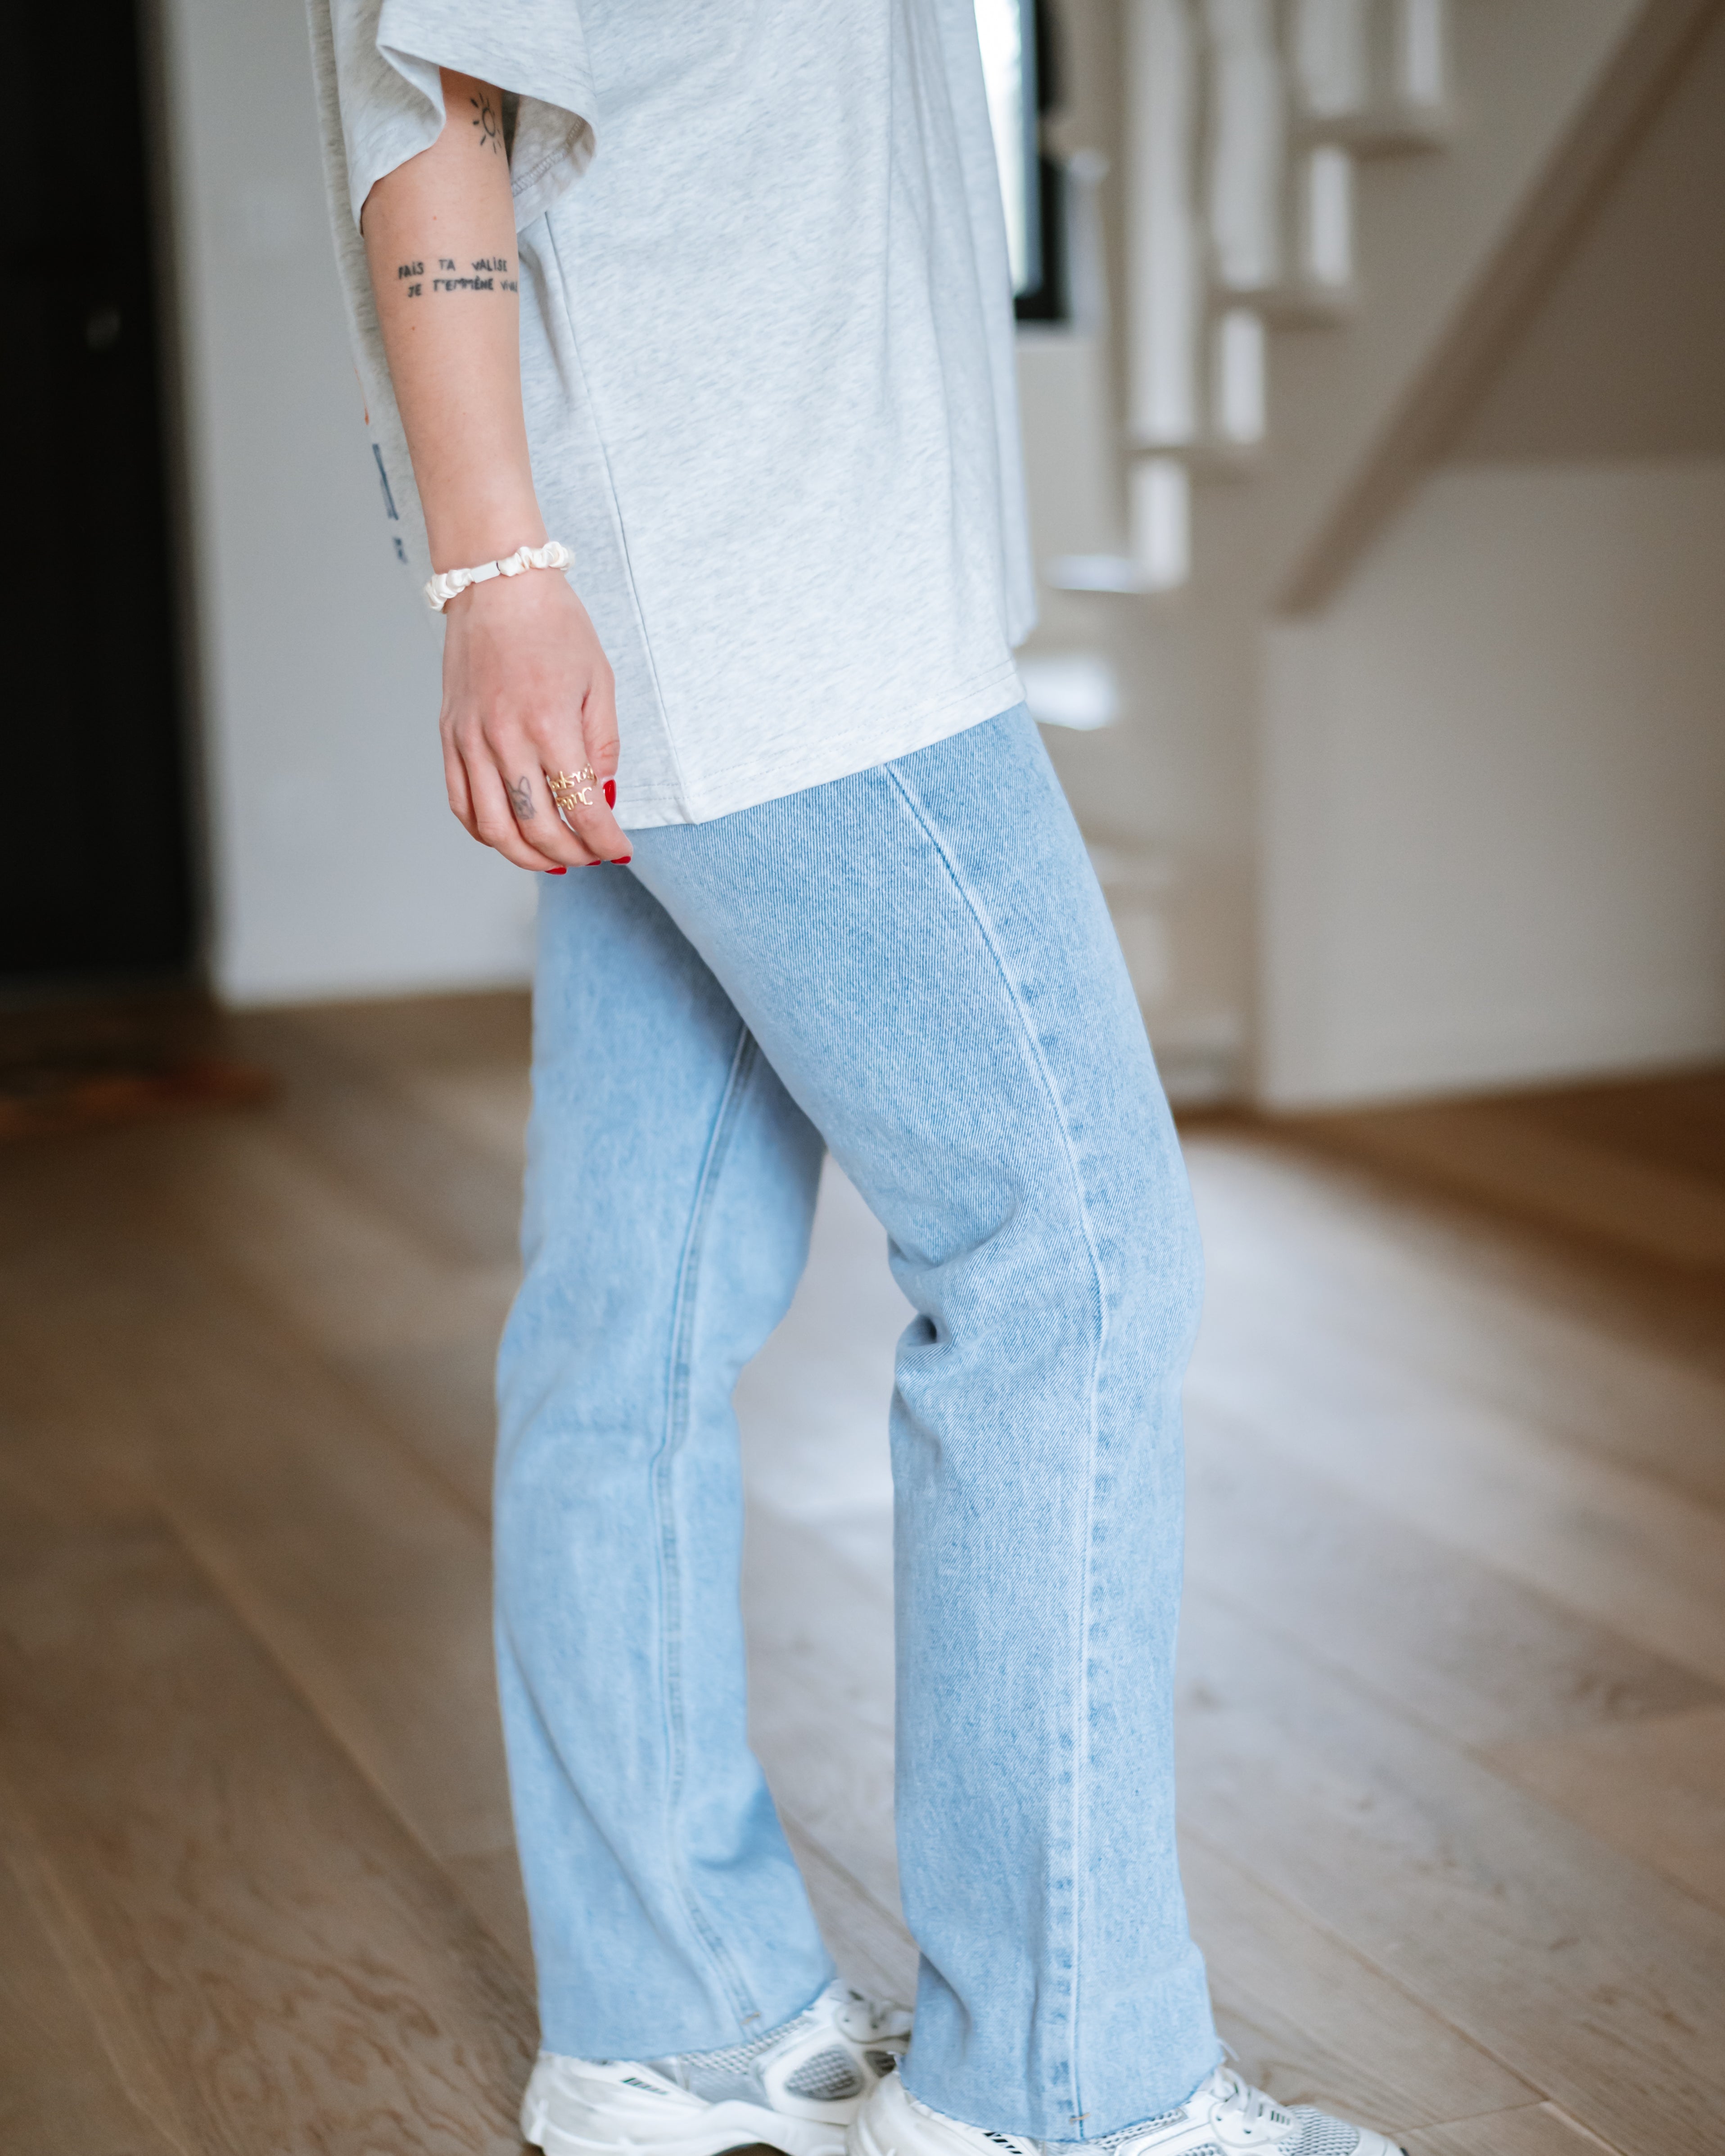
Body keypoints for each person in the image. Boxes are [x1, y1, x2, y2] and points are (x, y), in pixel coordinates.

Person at [308, 6, 1403, 2155]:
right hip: (760, 596)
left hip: (730, 579)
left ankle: (674, 2020)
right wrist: (495, 569)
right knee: (1066, 1264)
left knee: (630, 1315)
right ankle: (1060, 2091)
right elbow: (428, 96)